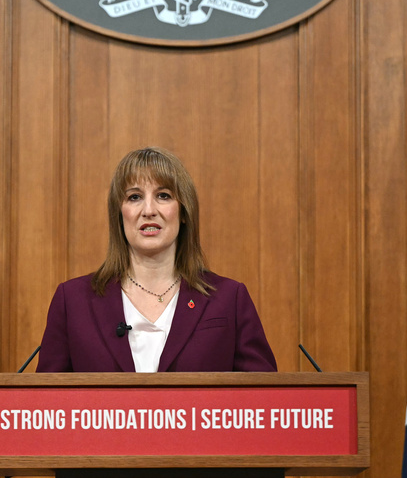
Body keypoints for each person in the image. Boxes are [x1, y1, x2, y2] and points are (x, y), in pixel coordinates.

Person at [37, 147, 276, 372]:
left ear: (183, 212)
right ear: (119, 214)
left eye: (163, 195)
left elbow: (264, 400)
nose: (149, 210)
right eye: (134, 197)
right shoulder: (73, 302)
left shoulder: (229, 299)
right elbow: (45, 405)